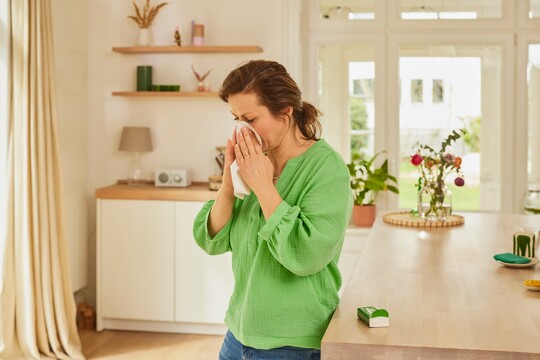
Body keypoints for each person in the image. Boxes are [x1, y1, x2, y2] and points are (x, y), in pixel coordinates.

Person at [192, 60, 352, 360]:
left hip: (292, 341)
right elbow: (212, 240)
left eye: (250, 118)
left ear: (285, 111)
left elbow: (307, 255)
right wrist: (229, 181)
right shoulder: (251, 162)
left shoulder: (327, 169)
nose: (242, 128)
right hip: (238, 331)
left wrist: (264, 188)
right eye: (236, 118)